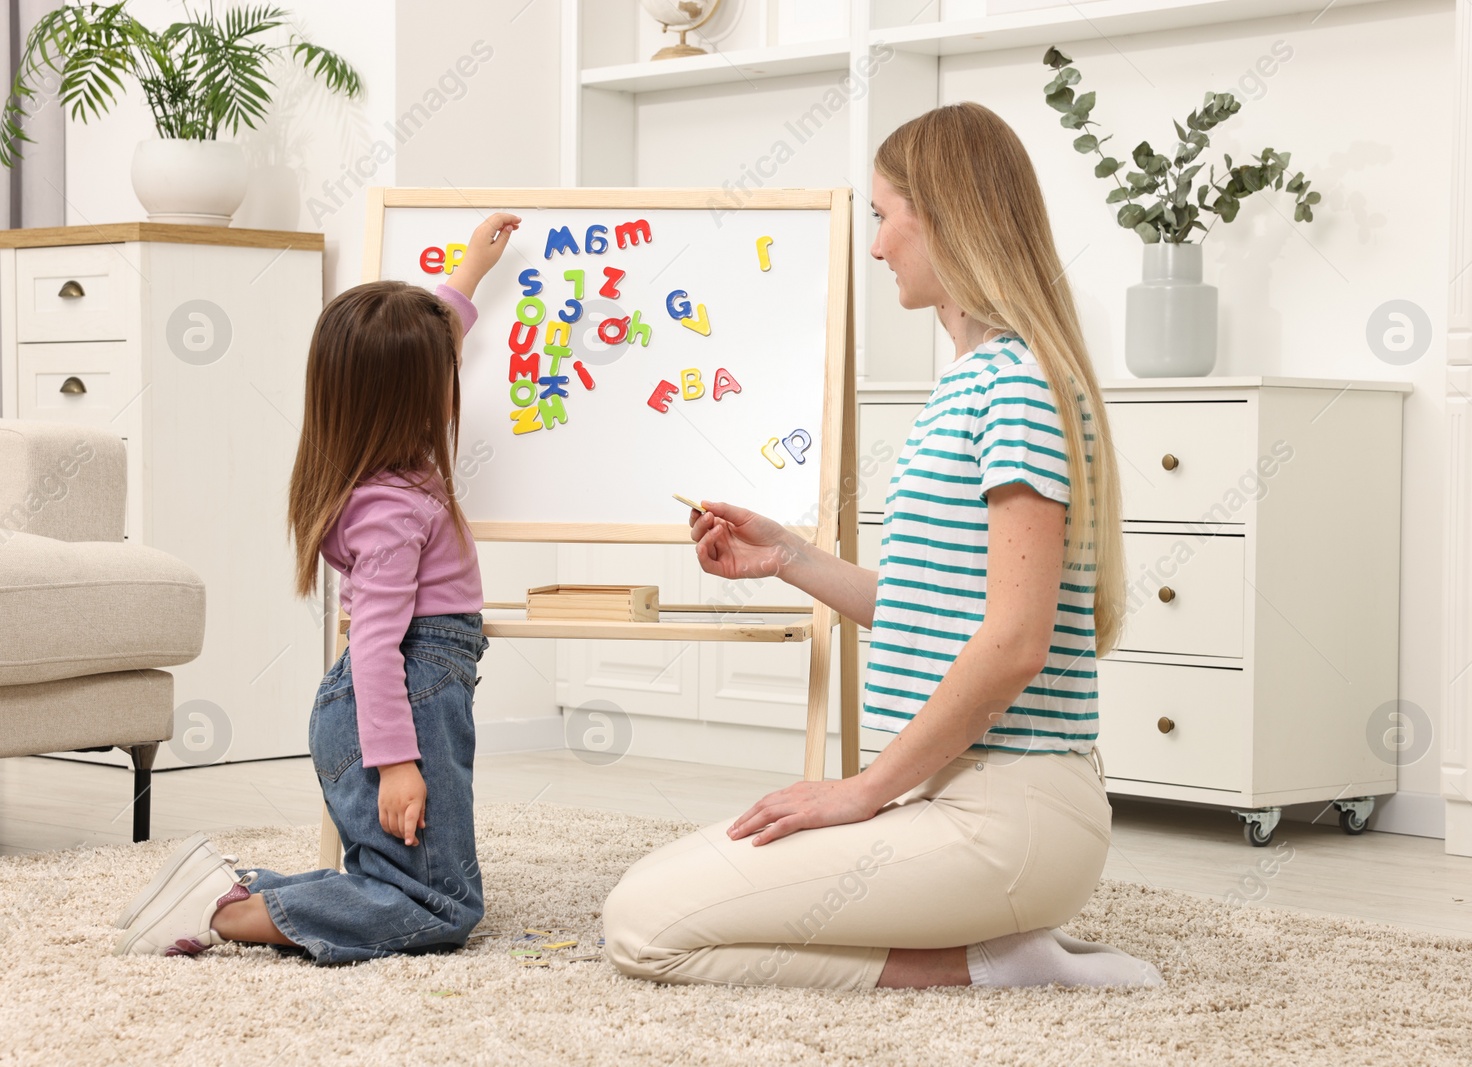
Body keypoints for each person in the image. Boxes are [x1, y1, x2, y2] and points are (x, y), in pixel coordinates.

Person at [602, 103, 1161, 990]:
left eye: (884, 216)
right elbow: (930, 605)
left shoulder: (1014, 387)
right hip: (948, 792)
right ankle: (998, 952)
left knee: (644, 928)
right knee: (646, 905)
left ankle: (995, 966)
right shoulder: (975, 383)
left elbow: (1015, 643)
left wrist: (859, 791)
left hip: (1004, 813)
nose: (875, 246)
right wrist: (786, 555)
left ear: (944, 217)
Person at [112, 213, 522, 963]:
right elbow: (375, 646)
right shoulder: (396, 506)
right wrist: (397, 761)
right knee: (439, 907)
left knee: (397, 879)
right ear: (411, 396)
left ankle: (234, 886)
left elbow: (430, 343)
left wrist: (468, 275)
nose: (453, 378)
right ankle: (223, 914)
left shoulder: (375, 467)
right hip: (401, 703)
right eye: (443, 374)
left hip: (392, 701)